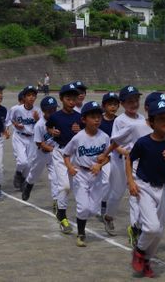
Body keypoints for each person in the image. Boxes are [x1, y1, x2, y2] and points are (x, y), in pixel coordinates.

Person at [127, 98, 165, 277]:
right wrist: (131, 182)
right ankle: (139, 250)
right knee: (151, 227)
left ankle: (146, 261)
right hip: (144, 187)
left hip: (164, 188)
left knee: (159, 232)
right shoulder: (144, 143)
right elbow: (129, 159)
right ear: (151, 122)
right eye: (161, 119)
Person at [98, 85, 145, 237]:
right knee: (117, 193)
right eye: (130, 101)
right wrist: (124, 151)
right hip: (120, 161)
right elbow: (114, 143)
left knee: (135, 194)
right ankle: (109, 217)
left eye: (136, 100)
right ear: (122, 104)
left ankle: (134, 228)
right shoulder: (120, 120)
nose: (134, 104)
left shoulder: (142, 119)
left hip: (137, 163)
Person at [63, 101, 110, 247]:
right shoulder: (78, 138)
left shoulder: (104, 137)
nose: (97, 119)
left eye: (99, 117)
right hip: (80, 174)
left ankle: (82, 220)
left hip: (96, 175)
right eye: (93, 116)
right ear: (84, 119)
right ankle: (81, 233)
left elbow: (108, 156)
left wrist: (100, 164)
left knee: (93, 210)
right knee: (83, 207)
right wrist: (70, 167)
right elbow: (66, 154)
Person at [46, 83, 81, 234]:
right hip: (60, 153)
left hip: (74, 155)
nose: (71, 101)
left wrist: (80, 130)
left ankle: (62, 208)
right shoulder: (55, 116)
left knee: (72, 187)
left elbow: (87, 132)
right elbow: (48, 126)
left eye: (74, 98)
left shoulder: (79, 117)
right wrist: (52, 131)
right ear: (61, 99)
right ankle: (62, 214)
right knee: (65, 186)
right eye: (68, 98)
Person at [21, 96, 58, 212]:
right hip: (41, 154)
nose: (52, 113)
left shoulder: (58, 121)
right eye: (49, 111)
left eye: (54, 110)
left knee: (55, 178)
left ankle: (56, 202)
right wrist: (52, 149)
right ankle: (28, 184)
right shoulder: (39, 125)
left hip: (54, 155)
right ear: (43, 111)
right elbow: (39, 143)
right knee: (34, 174)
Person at [9, 86, 41, 191]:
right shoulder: (16, 109)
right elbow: (10, 119)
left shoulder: (37, 111)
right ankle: (18, 174)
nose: (31, 98)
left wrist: (37, 120)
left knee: (30, 164)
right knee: (22, 162)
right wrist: (15, 125)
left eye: (33, 95)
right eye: (29, 95)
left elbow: (41, 127)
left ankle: (23, 180)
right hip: (19, 136)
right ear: (24, 97)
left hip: (32, 139)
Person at [98, 92, 120, 219]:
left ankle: (103, 203)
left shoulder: (119, 121)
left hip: (116, 155)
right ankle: (102, 204)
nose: (113, 107)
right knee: (105, 181)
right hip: (102, 155)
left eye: (115, 104)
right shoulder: (98, 119)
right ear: (104, 106)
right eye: (110, 104)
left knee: (113, 183)